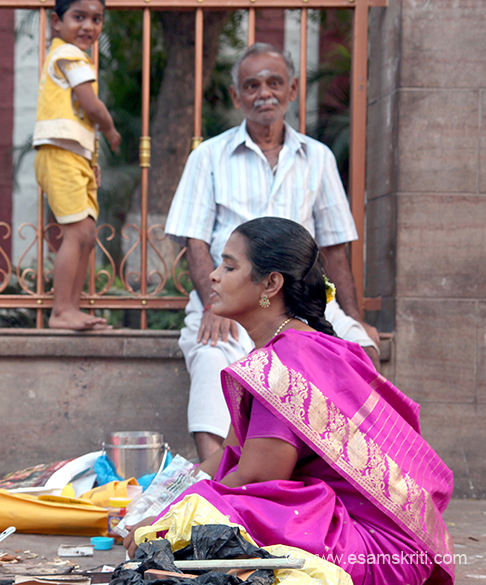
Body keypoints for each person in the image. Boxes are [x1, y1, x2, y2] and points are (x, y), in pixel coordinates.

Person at [124, 217, 454, 585]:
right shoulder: (298, 349)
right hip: (399, 548)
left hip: (376, 553)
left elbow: (256, 481)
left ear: (271, 283)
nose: (214, 276)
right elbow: (230, 454)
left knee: (203, 520)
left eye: (230, 266)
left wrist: (163, 524)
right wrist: (158, 503)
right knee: (195, 509)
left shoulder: (283, 364)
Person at [164, 42, 380, 461]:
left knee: (361, 355)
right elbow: (193, 240)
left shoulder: (317, 157)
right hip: (230, 299)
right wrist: (213, 303)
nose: (264, 93)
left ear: (293, 89)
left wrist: (353, 317)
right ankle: (221, 492)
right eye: (252, 85)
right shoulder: (208, 156)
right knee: (212, 360)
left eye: (274, 82)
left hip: (303, 300)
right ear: (237, 96)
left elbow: (334, 246)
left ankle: (343, 477)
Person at [33, 0, 121, 330]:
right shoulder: (68, 54)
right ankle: (61, 311)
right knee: (77, 233)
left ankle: (71, 307)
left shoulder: (71, 55)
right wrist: (110, 128)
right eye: (78, 17)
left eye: (96, 19)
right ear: (57, 21)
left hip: (73, 156)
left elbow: (79, 118)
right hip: (59, 156)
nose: (88, 26)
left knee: (85, 234)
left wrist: (90, 159)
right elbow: (92, 106)